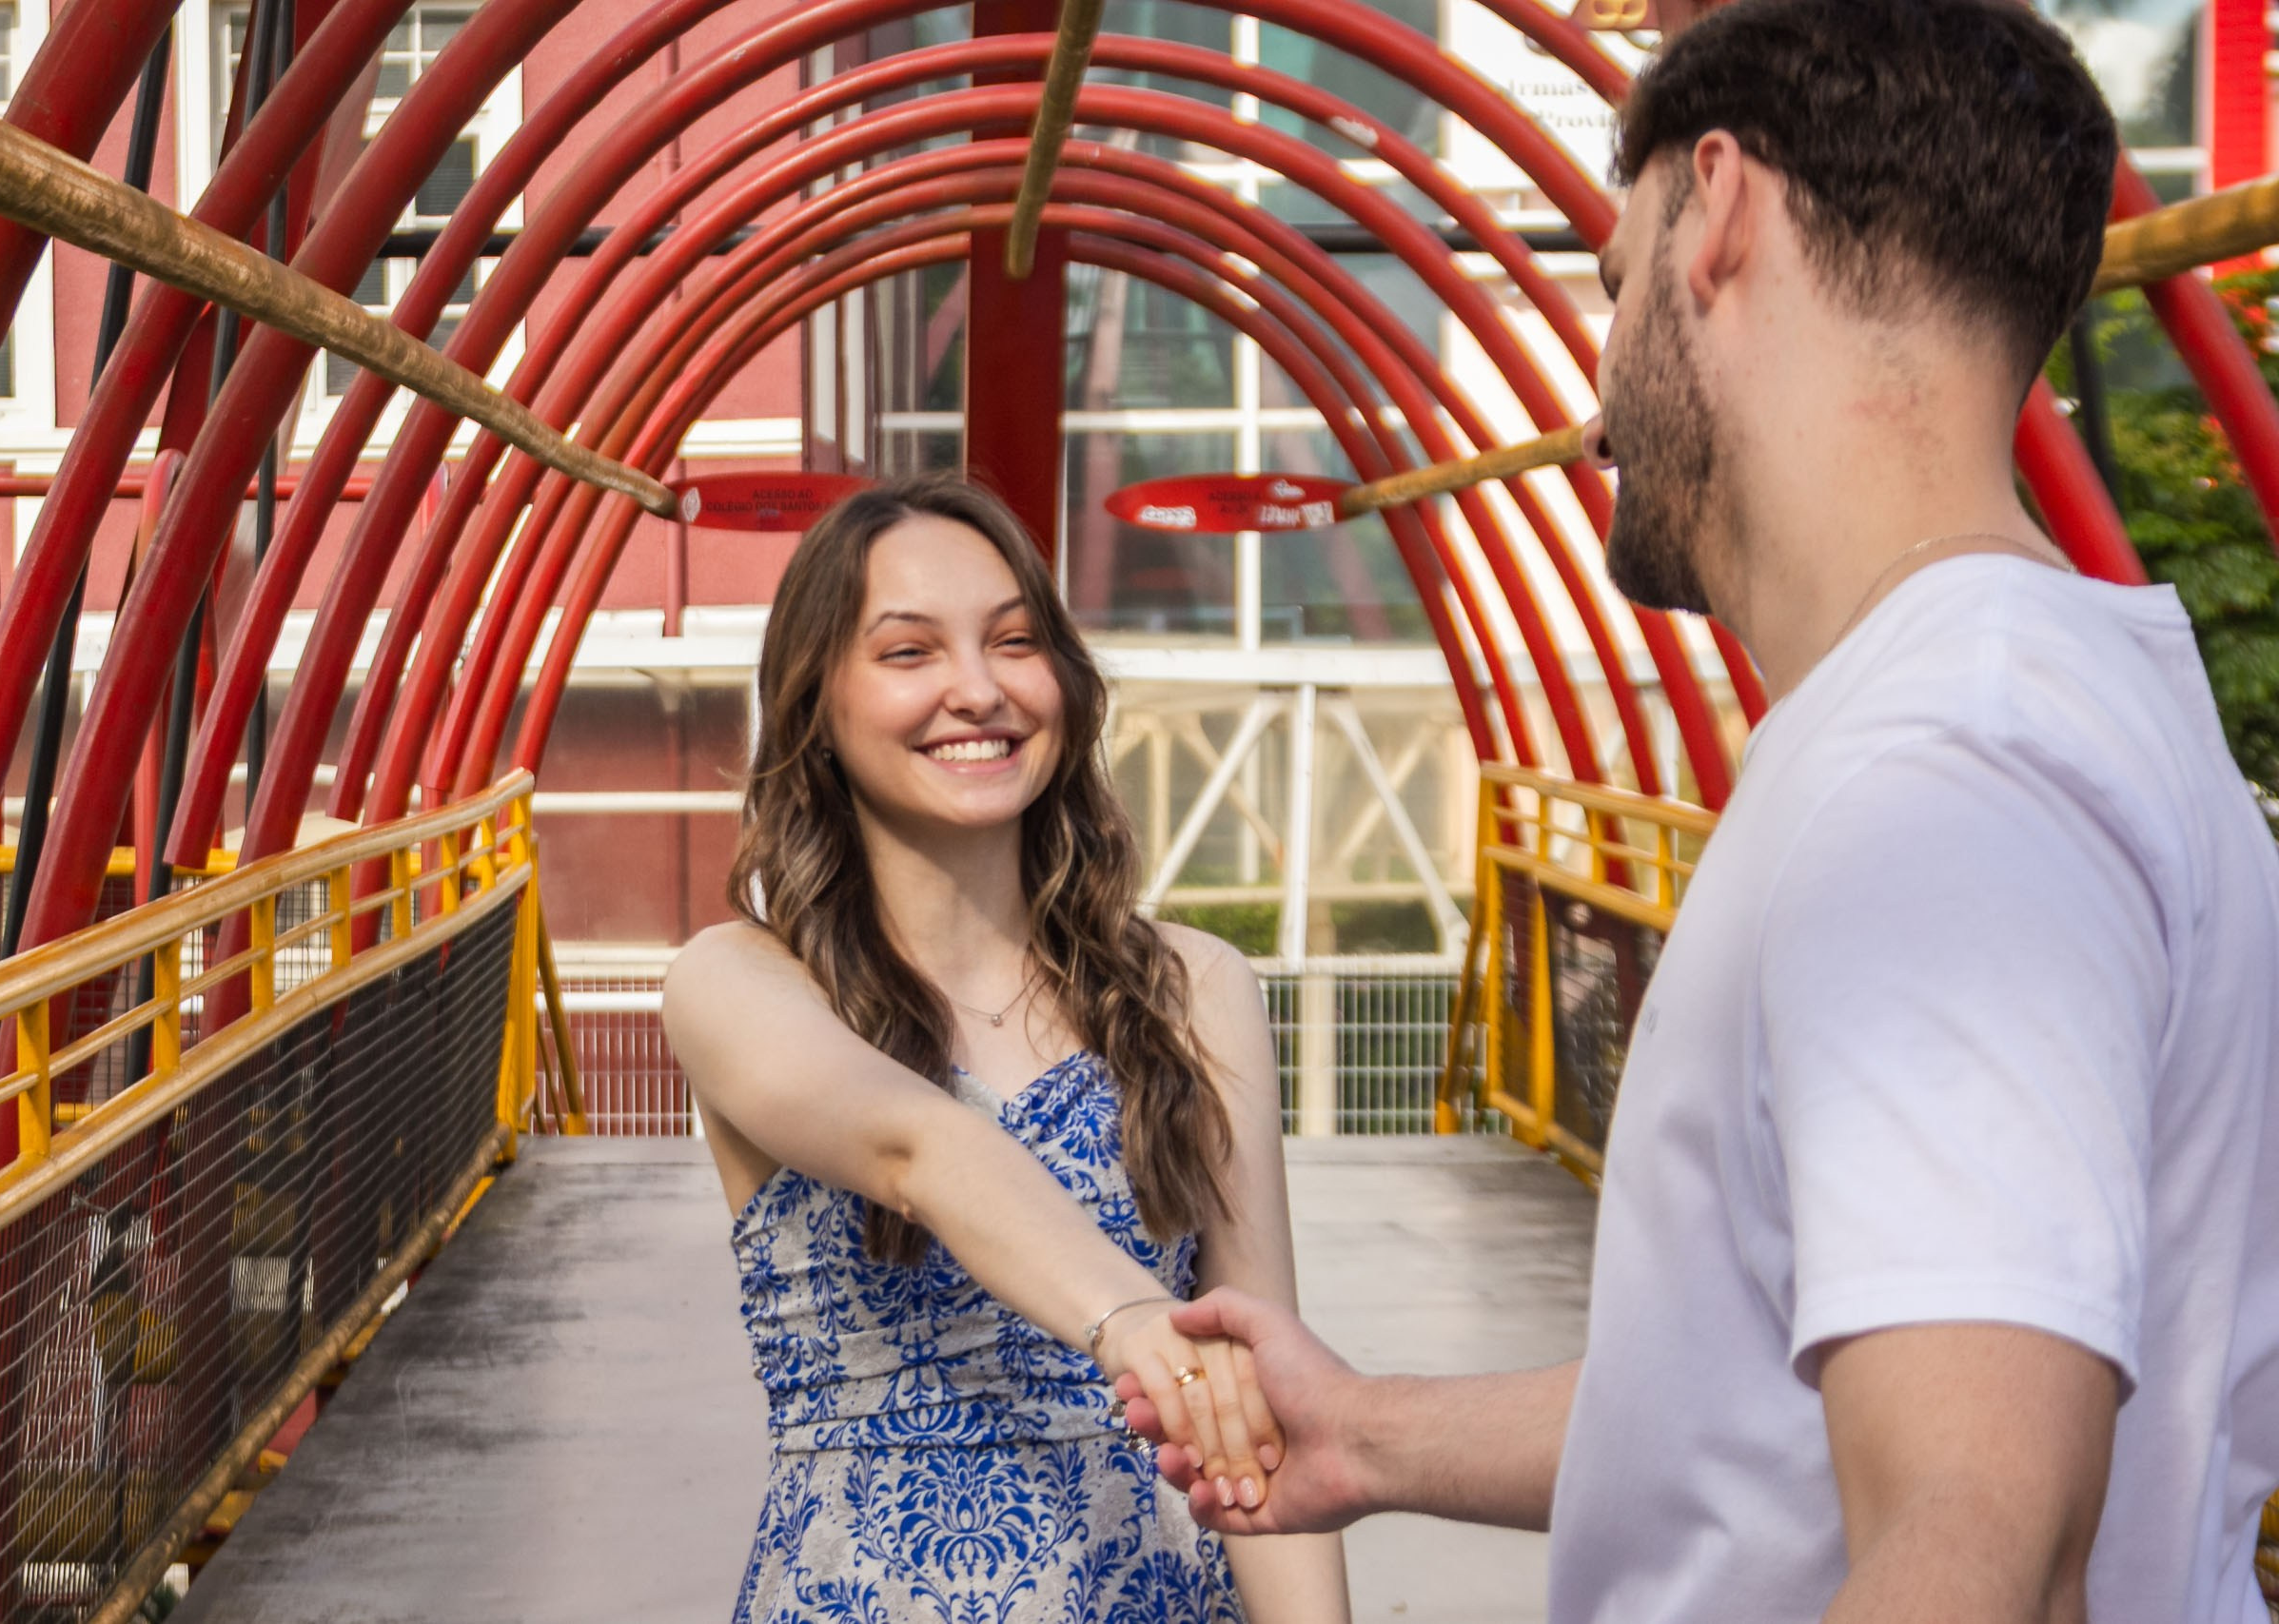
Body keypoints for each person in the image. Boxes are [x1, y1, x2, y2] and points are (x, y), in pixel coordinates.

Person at [1121, 0, 2279, 1617]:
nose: (1595, 398)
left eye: (1610, 281)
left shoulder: (1942, 781)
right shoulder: (2031, 703)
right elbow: (1792, 1394)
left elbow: (1975, 1549)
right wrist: (1371, 1433)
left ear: (1718, 210)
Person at [662, 473, 1350, 1622]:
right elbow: (916, 1148)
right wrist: (1133, 1321)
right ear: (815, 702)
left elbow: (1254, 1413)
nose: (977, 691)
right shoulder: (737, 982)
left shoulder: (1194, 993)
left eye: (1016, 642)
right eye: (908, 653)